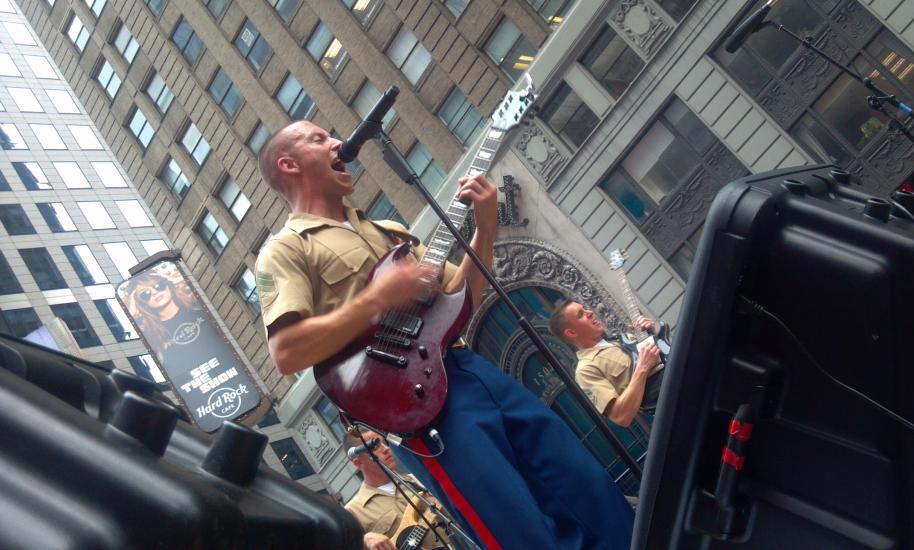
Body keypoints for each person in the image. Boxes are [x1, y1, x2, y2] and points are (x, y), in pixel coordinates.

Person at [254, 121, 634, 549]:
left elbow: (461, 298)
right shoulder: (284, 249)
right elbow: (285, 352)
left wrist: (484, 228)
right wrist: (374, 300)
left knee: (585, 485)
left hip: (469, 370)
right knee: (519, 528)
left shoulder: (387, 231)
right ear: (289, 164)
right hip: (414, 407)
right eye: (319, 139)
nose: (338, 143)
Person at [549, 301, 663, 428]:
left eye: (585, 308)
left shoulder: (622, 338)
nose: (590, 312)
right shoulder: (585, 370)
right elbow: (621, 417)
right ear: (571, 333)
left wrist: (652, 334)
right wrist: (642, 368)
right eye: (581, 314)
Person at [343, 430, 455, 550]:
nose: (386, 448)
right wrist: (363, 542)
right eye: (374, 446)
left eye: (384, 442)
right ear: (358, 462)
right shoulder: (353, 512)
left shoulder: (418, 480)